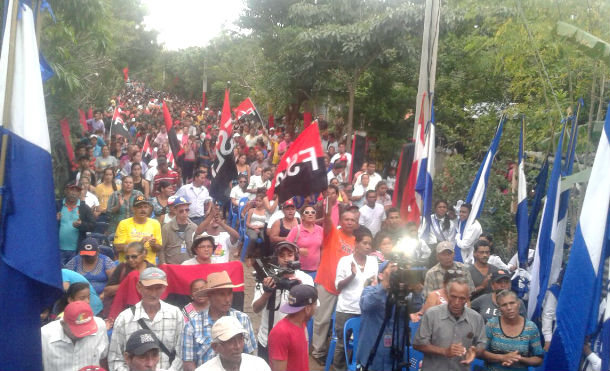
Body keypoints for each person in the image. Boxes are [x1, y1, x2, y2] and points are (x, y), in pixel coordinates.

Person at [311, 193, 358, 365]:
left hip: (346, 287)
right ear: (341, 221)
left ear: (357, 223)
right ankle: (318, 351)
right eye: (346, 219)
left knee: (342, 324)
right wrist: (329, 205)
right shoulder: (333, 234)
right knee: (322, 320)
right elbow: (328, 218)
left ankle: (340, 355)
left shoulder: (356, 241)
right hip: (326, 282)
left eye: (352, 220)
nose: (349, 222)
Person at [108, 267, 184, 371]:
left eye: (158, 288)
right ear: (139, 287)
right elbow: (115, 358)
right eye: (149, 288)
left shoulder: (175, 314)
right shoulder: (124, 318)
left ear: (165, 288)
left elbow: (181, 353)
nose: (153, 293)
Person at [251, 242, 314, 361]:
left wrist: (299, 291)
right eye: (282, 255)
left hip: (295, 339)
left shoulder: (305, 279)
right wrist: (267, 293)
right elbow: (255, 309)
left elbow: (311, 312)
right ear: (276, 258)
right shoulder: (267, 277)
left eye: (290, 255)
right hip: (267, 339)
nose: (286, 259)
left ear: (295, 257)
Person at [182, 271, 257, 370]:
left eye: (230, 294)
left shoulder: (242, 319)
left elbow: (251, 354)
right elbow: (188, 363)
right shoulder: (192, 325)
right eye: (222, 294)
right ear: (209, 296)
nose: (227, 299)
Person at [413, 277, 487, 371]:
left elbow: (482, 343)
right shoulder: (432, 314)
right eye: (453, 296)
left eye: (462, 298)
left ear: (468, 298)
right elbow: (417, 344)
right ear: (447, 295)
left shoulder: (476, 318)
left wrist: (475, 351)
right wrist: (444, 351)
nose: (457, 302)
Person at [333, 227, 378, 371]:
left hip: (366, 309)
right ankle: (339, 368)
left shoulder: (373, 261)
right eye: (364, 243)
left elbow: (374, 283)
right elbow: (338, 286)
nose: (368, 246)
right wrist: (352, 276)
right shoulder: (345, 261)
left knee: (364, 342)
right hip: (347, 308)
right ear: (356, 244)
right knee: (342, 343)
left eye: (370, 244)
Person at [355, 260, 405, 371]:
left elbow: (415, 311)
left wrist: (415, 291)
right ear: (381, 275)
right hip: (372, 355)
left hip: (394, 355)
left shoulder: (402, 295)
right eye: (391, 267)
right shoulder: (369, 290)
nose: (395, 270)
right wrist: (384, 286)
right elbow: (366, 305)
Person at [482, 290, 543, 370]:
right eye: (504, 305)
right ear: (499, 308)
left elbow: (538, 359)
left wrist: (519, 358)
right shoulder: (491, 325)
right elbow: (480, 353)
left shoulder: (531, 327)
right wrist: (502, 357)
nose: (509, 308)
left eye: (512, 303)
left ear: (518, 304)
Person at [41, 301, 108, 371]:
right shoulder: (44, 336)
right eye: (78, 330)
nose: (83, 333)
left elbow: (103, 355)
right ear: (63, 324)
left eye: (87, 328)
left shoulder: (100, 326)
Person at [267, 284, 318, 371]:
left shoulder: (302, 323)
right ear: (308, 308)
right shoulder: (281, 333)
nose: (316, 308)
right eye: (315, 304)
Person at [195, 316, 271, 371]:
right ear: (215, 347)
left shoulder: (259, 365)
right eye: (230, 341)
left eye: (240, 339)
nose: (237, 346)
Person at [103, 242, 154, 314]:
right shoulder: (122, 268)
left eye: (134, 256)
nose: (130, 260)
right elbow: (107, 291)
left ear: (144, 254)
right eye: (127, 257)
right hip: (123, 310)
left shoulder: (152, 269)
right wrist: (128, 284)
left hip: (147, 310)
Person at [113, 194, 163, 264]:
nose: (143, 210)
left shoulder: (155, 223)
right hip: (128, 265)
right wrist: (140, 243)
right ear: (134, 209)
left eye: (145, 207)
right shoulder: (124, 223)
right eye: (140, 207)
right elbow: (118, 247)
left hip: (148, 266)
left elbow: (159, 248)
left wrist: (153, 245)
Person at [57, 182, 96, 265]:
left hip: (77, 250)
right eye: (71, 189)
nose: (74, 193)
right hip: (57, 249)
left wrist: (81, 224)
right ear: (66, 191)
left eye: (77, 191)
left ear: (79, 193)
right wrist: (55, 220)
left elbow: (92, 226)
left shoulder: (84, 208)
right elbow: (46, 226)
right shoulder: (57, 205)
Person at [285, 205, 323, 279]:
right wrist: (297, 251)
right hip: (298, 270)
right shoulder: (296, 230)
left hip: (316, 270)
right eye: (307, 212)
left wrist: (322, 265)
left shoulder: (320, 230)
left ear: (315, 216)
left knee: (313, 290)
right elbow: (285, 247)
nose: (310, 214)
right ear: (302, 217)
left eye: (313, 212)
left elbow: (323, 248)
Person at [160, 196, 198, 264]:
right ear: (175, 211)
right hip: (172, 266)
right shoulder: (166, 228)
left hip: (189, 266)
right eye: (181, 211)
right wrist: (164, 264)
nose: (184, 213)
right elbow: (161, 249)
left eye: (187, 210)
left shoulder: (194, 227)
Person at [244, 190, 269, 258]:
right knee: (253, 238)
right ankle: (249, 255)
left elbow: (267, 223)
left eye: (260, 201)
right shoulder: (252, 210)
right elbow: (247, 223)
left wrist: (260, 227)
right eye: (256, 201)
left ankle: (262, 255)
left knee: (265, 238)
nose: (257, 202)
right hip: (251, 227)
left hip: (262, 228)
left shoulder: (266, 212)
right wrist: (254, 227)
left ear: (264, 202)